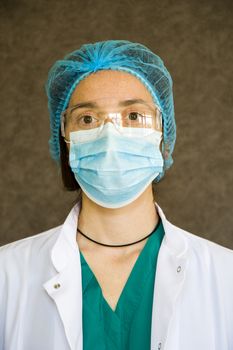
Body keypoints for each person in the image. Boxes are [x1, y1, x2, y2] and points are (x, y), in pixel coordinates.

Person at [0, 40, 233, 350]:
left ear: (162, 133)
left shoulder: (224, 276)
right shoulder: (7, 274)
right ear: (65, 139)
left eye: (134, 116)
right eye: (87, 119)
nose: (110, 135)